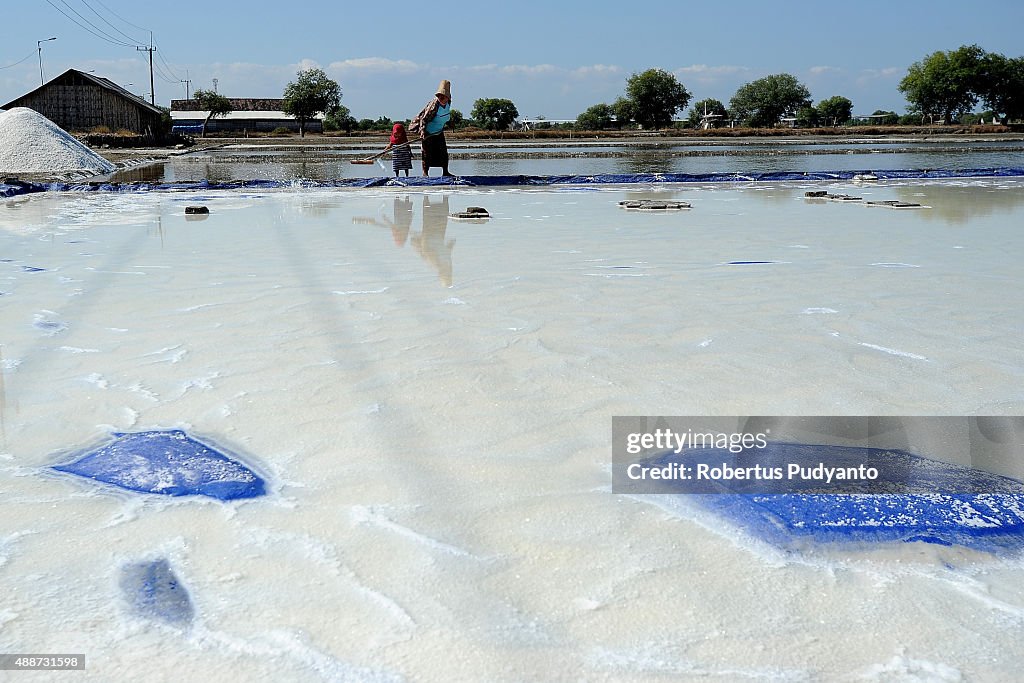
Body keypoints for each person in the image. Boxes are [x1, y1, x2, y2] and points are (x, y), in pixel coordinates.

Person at [409, 79, 452, 177]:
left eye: (443, 96)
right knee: (426, 153)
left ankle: (445, 172)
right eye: (439, 96)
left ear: (447, 97)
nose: (441, 98)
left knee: (443, 152)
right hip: (428, 132)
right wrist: (423, 132)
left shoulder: (449, 102)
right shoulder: (434, 104)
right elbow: (424, 119)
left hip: (439, 132)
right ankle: (425, 173)